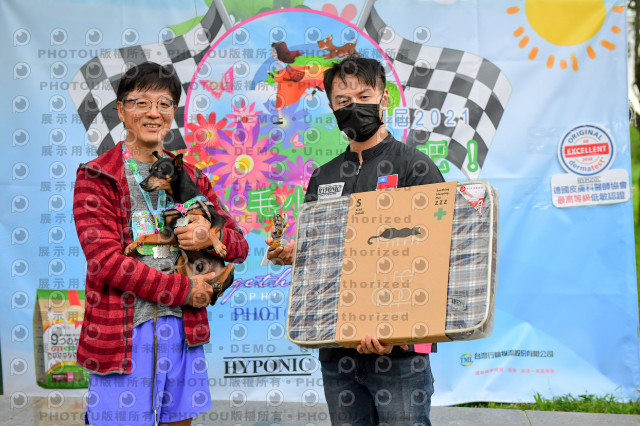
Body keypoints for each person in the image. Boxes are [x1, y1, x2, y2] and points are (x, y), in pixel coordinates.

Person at [266, 55, 444, 425]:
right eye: (343, 101)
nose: (354, 107)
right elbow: (321, 258)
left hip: (399, 353)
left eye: (364, 97)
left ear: (384, 97)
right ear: (332, 107)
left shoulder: (415, 167)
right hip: (338, 350)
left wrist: (400, 333)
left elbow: (435, 257)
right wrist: (296, 252)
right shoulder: (323, 176)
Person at [73, 62, 248, 426]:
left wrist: (208, 236)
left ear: (173, 113)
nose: (154, 112)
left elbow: (239, 247)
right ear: (121, 110)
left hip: (185, 330)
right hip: (123, 333)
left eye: (164, 104)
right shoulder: (97, 175)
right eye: (141, 102)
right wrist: (185, 289)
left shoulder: (191, 176)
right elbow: (105, 262)